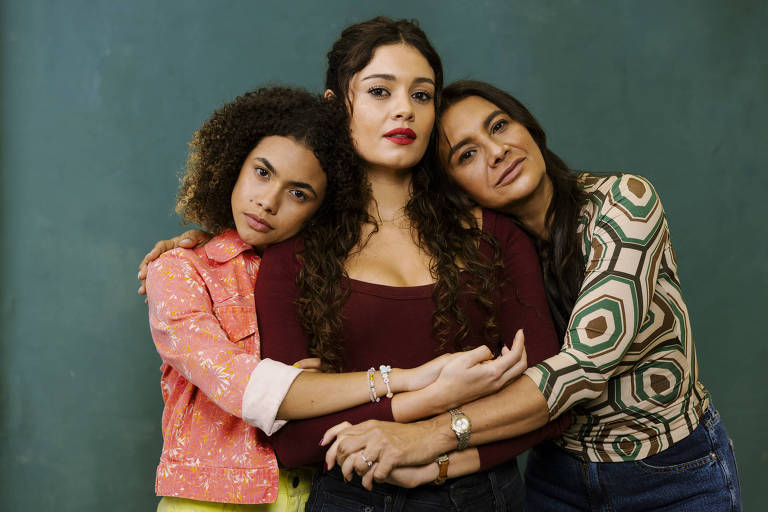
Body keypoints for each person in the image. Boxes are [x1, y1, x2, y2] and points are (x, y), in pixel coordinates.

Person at [140, 17, 569, 512]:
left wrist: (433, 453)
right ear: (335, 105)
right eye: (380, 91)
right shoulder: (292, 251)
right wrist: (198, 245)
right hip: (350, 497)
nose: (404, 109)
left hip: (486, 496)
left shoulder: (494, 233)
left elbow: (550, 397)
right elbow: (291, 439)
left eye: (422, 95)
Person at [324, 80, 742, 511]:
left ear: (529, 126)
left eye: (499, 126)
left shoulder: (622, 202)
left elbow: (584, 366)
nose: (496, 151)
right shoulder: (487, 253)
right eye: (467, 154)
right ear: (453, 190)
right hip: (555, 480)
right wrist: (437, 465)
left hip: (673, 473)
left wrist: (427, 438)